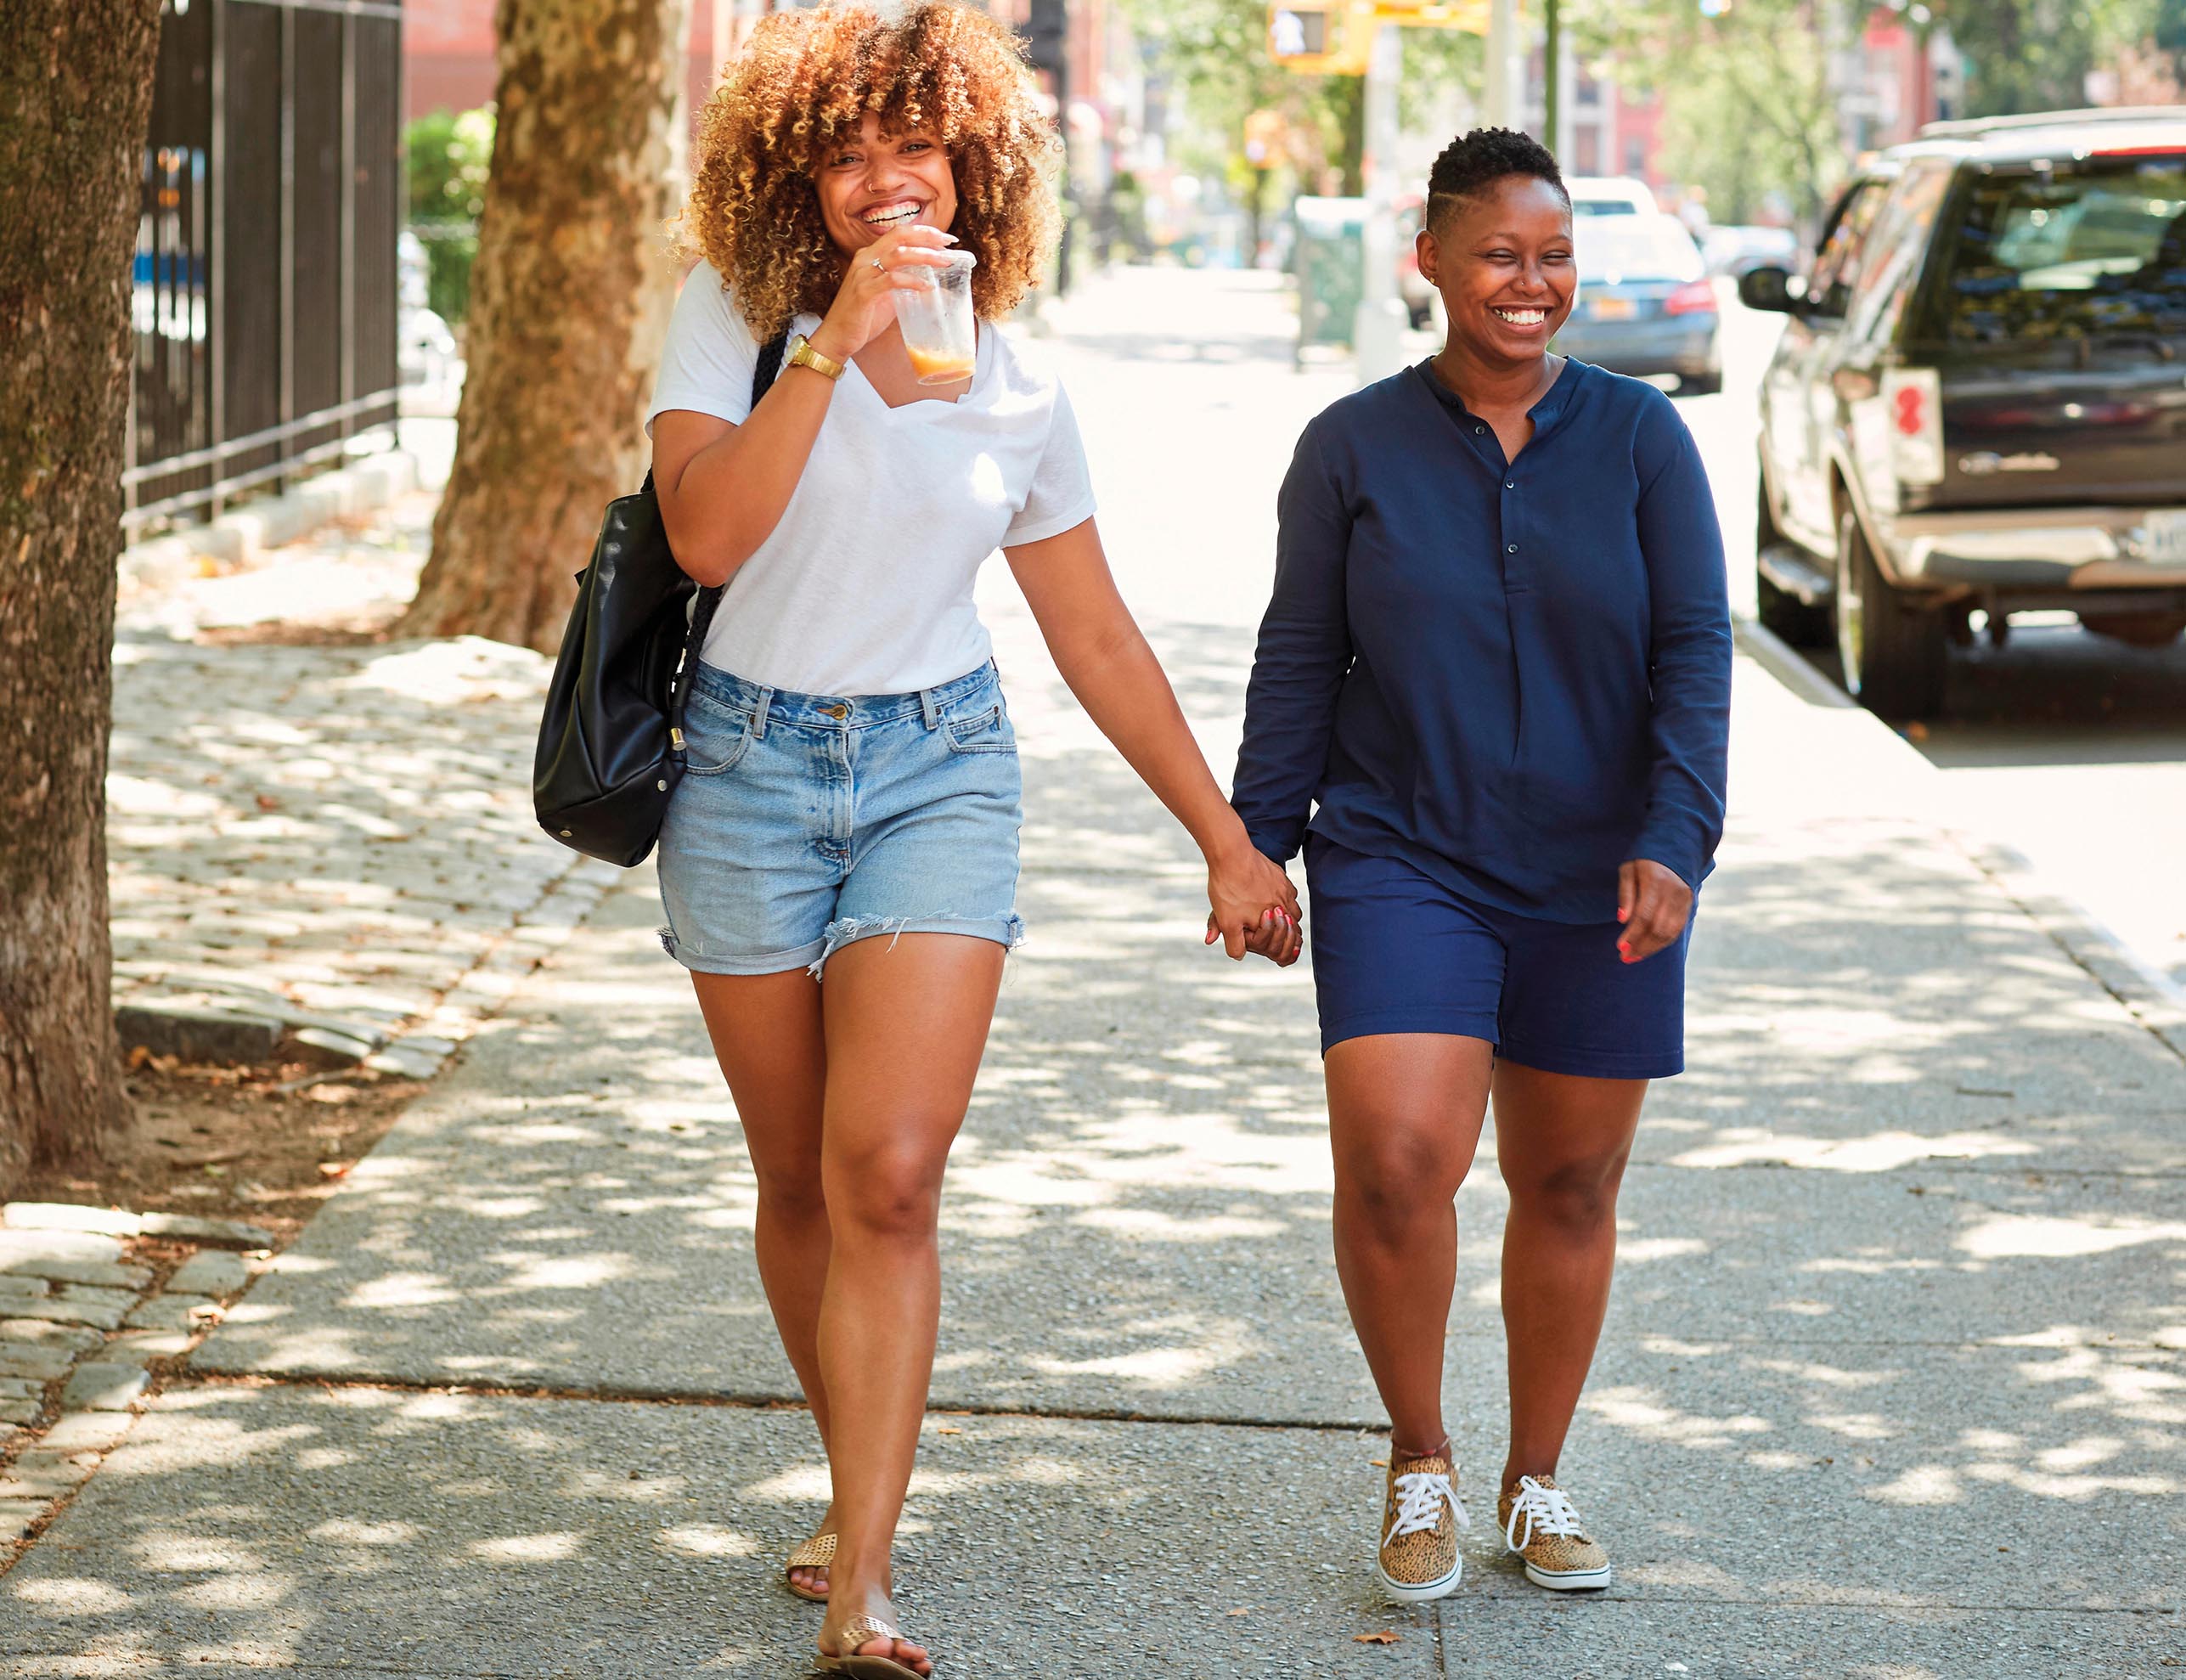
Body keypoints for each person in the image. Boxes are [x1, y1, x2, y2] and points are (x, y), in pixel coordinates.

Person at [647, 6, 1299, 1674]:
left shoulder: (1012, 368)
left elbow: (1092, 634)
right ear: (797, 174)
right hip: (745, 768)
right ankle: (847, 1470)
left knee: (888, 1171)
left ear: (973, 162)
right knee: (797, 1174)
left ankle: (864, 1577)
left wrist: (1225, 842)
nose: (881, 180)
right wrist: (829, 339)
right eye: (846, 151)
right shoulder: (729, 318)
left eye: (912, 146)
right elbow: (710, 537)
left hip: (939, 765)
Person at [1231, 127, 1731, 1605]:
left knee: (1568, 1178)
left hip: (1599, 871)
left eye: (1554, 256)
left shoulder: (1643, 440)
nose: (1531, 283)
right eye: (1501, 255)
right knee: (1397, 1160)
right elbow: (1299, 654)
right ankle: (1421, 1453)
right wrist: (1258, 843)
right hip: (1400, 849)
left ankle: (1536, 1477)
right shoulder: (1351, 446)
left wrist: (1673, 834)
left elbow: (1692, 654)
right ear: (1434, 262)